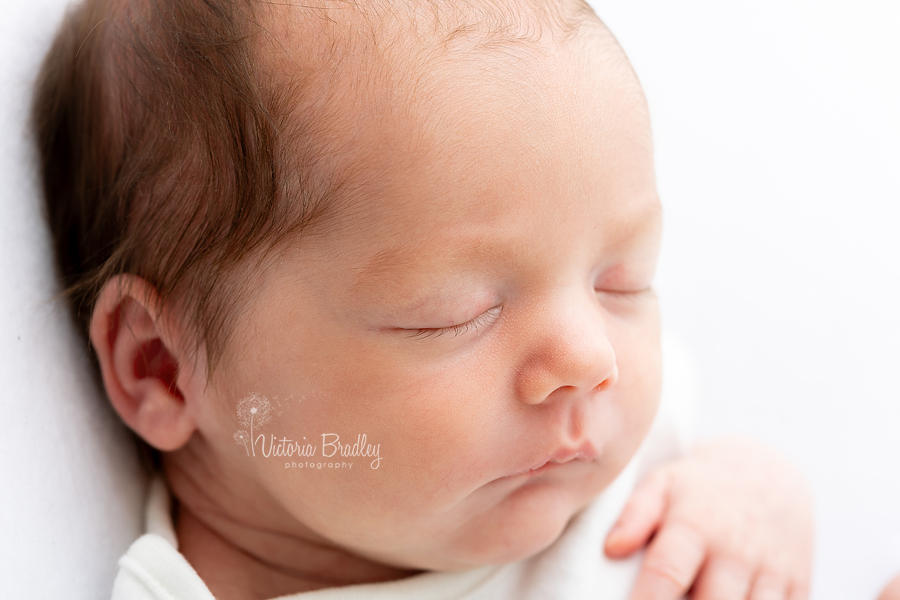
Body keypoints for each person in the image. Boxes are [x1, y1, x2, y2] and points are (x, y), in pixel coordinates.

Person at [33, 0, 813, 598]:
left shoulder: (620, 444)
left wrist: (753, 496)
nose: (591, 357)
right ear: (164, 367)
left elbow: (734, 482)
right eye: (456, 312)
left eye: (622, 280)